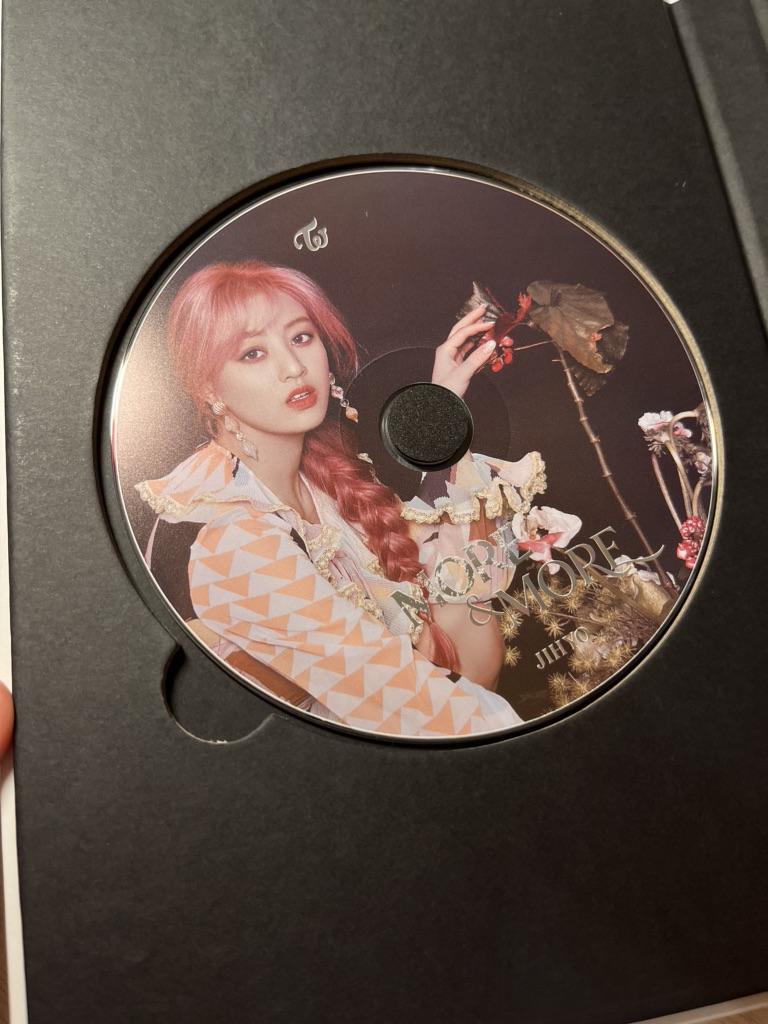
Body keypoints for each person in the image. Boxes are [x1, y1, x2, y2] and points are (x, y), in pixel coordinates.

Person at [136, 262, 548, 737]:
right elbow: (405, 700)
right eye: (253, 353)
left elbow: (467, 633)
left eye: (301, 337)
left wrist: (436, 416)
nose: (293, 367)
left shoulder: (328, 480)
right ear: (208, 387)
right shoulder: (234, 543)